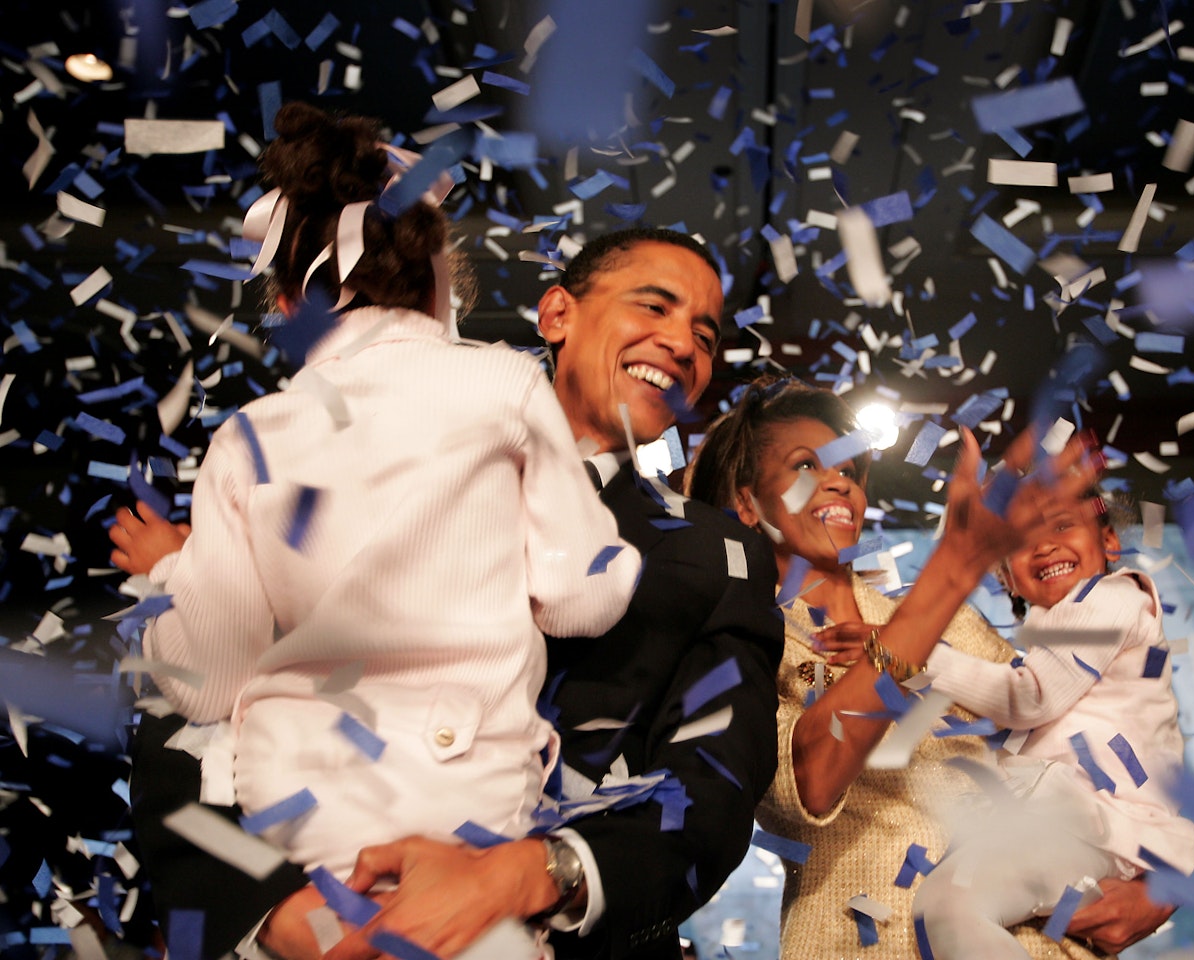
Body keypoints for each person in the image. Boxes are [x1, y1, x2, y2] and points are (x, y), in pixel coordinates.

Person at [121, 223, 782, 960]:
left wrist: (531, 874)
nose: (683, 344)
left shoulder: (717, 558)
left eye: (705, 332)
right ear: (557, 314)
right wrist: (277, 912)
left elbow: (713, 787)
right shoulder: (317, 455)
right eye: (654, 307)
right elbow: (189, 704)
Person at [115, 100, 643, 888]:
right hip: (466, 807)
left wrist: (168, 576)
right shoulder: (503, 384)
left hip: (297, 816)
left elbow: (209, 680)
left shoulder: (252, 434)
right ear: (442, 286)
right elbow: (580, 598)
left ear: (288, 302)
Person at [684, 376, 1176, 959]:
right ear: (746, 502)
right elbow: (804, 783)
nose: (839, 480)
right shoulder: (744, 646)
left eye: (850, 469)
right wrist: (952, 569)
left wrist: (1161, 882)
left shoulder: (954, 622)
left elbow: (1080, 737)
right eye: (807, 466)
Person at [912, 493, 1194, 960]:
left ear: (1108, 541)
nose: (1044, 546)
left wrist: (912, 653)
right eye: (1020, 540)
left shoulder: (1114, 598)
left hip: (1097, 826)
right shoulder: (1046, 642)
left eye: (1062, 525)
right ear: (1005, 576)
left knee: (951, 903)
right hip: (1082, 827)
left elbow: (1029, 697)